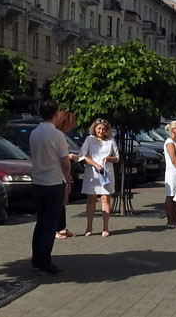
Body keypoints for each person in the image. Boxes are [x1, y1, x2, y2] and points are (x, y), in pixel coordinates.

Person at [29, 100, 72, 276]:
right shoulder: (57, 135)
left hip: (38, 182)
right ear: (56, 114)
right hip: (54, 182)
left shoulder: (34, 133)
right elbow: (65, 162)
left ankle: (36, 260)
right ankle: (44, 262)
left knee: (41, 223)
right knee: (51, 225)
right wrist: (67, 180)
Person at [80, 119, 119, 237]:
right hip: (92, 172)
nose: (101, 131)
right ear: (94, 129)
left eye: (103, 129)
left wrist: (109, 159)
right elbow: (83, 155)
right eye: (99, 129)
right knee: (91, 200)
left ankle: (105, 227)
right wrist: (95, 164)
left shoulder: (111, 141)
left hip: (106, 172)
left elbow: (117, 157)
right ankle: (89, 227)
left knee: (105, 199)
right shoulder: (89, 139)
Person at [54, 110, 76, 240]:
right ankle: (57, 229)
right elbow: (58, 156)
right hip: (60, 173)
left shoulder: (61, 135)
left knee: (64, 201)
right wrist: (69, 157)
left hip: (63, 172)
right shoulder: (58, 135)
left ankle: (61, 226)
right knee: (59, 201)